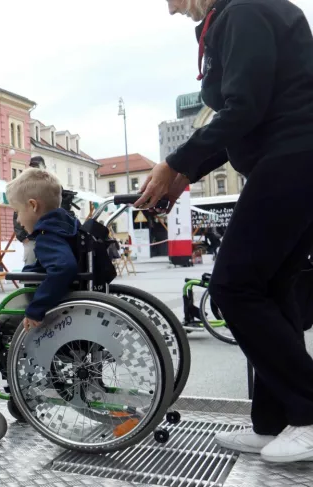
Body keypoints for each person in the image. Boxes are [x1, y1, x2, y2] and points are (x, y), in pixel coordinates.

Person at [138, 0, 313, 462]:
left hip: (291, 157)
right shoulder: (244, 12)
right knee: (274, 293)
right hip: (293, 157)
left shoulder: (243, 13)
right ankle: (276, 422)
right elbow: (247, 113)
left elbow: (245, 108)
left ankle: (310, 413)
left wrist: (176, 162)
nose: (171, 10)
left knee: (233, 287)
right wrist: (182, 174)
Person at [0, 169, 80, 337]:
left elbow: (64, 267)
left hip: (51, 310)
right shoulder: (69, 227)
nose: (18, 220)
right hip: (67, 305)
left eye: (18, 212)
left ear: (33, 205)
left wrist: (36, 308)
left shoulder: (48, 235)